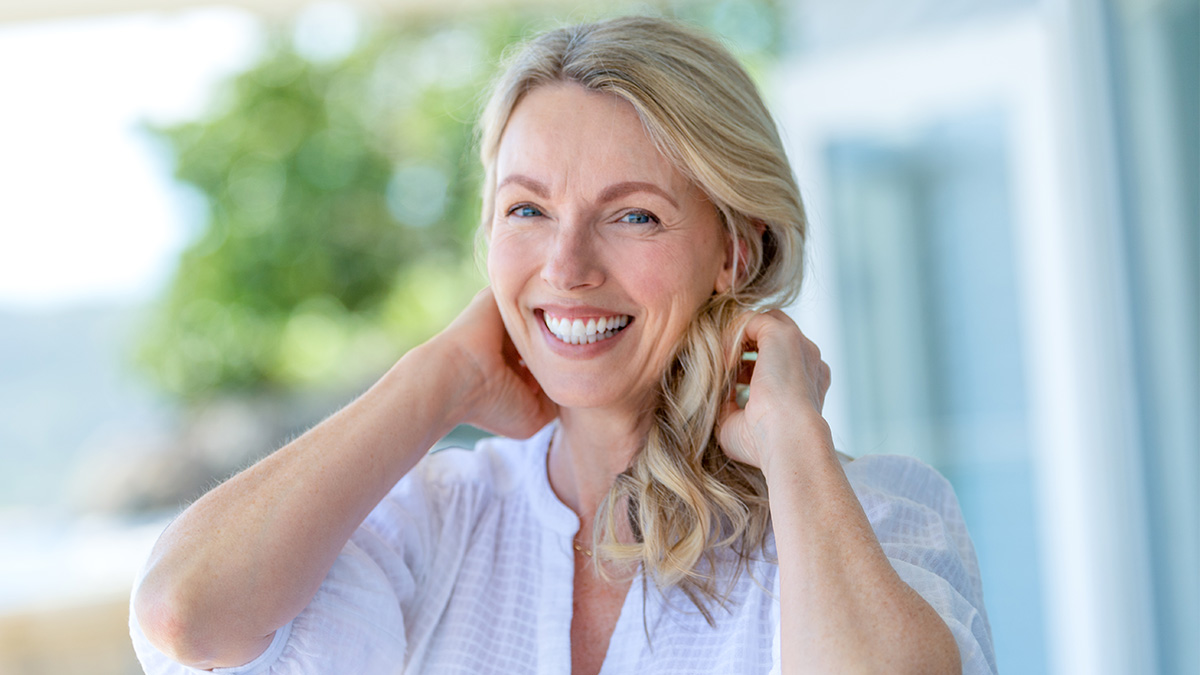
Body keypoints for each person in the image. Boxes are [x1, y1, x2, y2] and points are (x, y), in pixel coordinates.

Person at [130, 15, 995, 675]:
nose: (567, 265)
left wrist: (793, 441)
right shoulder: (432, 520)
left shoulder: (868, 518)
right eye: (528, 210)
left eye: (633, 215)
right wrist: (439, 375)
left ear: (737, 249)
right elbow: (183, 616)